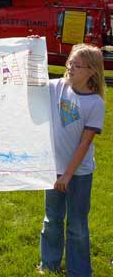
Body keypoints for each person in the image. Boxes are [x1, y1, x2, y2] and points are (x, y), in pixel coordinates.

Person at [39, 44, 106, 276]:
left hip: (78, 174)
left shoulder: (95, 103)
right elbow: (31, 83)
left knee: (77, 226)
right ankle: (49, 265)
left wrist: (68, 174)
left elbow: (84, 144)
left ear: (92, 71)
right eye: (70, 63)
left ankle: (79, 271)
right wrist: (31, 50)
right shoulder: (56, 87)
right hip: (53, 169)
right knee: (52, 220)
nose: (70, 69)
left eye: (76, 66)